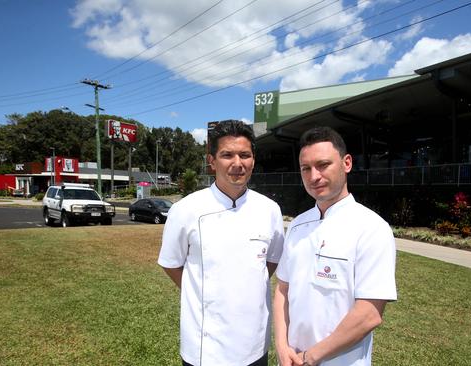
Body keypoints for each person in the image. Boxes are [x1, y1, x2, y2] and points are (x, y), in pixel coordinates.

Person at [158, 120, 284, 366]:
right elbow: (171, 264)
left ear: (253, 160)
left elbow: (271, 261)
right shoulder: (185, 210)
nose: (237, 163)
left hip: (254, 343)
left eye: (244, 155)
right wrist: (205, 292)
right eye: (227, 155)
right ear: (212, 160)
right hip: (205, 347)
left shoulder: (270, 210)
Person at [273, 126, 397, 366]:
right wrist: (281, 346)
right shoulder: (298, 225)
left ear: (346, 163)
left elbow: (369, 314)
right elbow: (282, 291)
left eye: (323, 165)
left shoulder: (371, 228)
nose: (313, 176)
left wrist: (309, 358)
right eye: (305, 168)